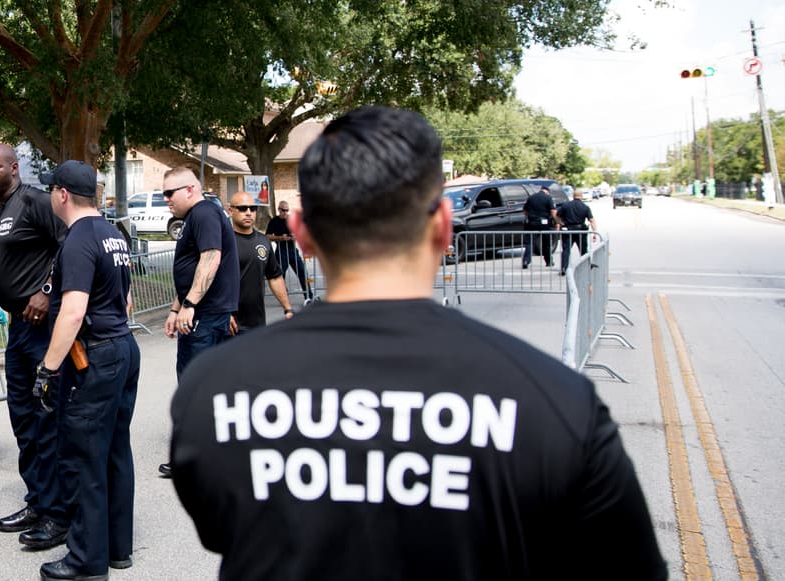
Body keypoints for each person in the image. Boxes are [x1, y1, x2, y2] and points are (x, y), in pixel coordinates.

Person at [169, 106, 666, 581]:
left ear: (300, 234)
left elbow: (223, 528)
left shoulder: (214, 391)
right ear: (444, 228)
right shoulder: (557, 404)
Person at [32, 160, 140, 581]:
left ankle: (85, 561)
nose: (48, 197)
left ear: (61, 194)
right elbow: (125, 302)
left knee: (84, 455)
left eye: (49, 191)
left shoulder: (77, 240)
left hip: (94, 356)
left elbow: (74, 311)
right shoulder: (114, 234)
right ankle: (117, 549)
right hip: (123, 348)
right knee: (115, 449)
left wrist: (47, 369)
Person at [0, 144, 69, 550]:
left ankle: (57, 514)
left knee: (47, 420)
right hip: (16, 331)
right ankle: (37, 501)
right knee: (24, 419)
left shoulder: (36, 203)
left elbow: (69, 246)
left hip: (44, 328)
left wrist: (47, 290)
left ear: (13, 167)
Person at [158, 167, 239, 479]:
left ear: (190, 189)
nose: (166, 200)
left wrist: (191, 305)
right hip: (203, 312)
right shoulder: (200, 215)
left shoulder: (203, 213)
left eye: (170, 193)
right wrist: (175, 308)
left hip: (204, 316)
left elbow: (210, 258)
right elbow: (191, 267)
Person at [226, 191, 293, 334]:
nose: (249, 213)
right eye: (243, 208)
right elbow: (211, 280)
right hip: (228, 325)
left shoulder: (263, 241)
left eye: (253, 208)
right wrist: (224, 313)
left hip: (257, 323)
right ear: (230, 211)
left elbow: (274, 277)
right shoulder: (222, 241)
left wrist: (288, 308)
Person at [265, 200, 315, 302]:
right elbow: (267, 236)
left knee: (302, 272)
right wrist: (280, 238)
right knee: (280, 275)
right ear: (279, 209)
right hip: (281, 250)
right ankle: (283, 296)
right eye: (283, 210)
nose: (285, 213)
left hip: (292, 250)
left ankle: (308, 296)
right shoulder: (274, 221)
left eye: (287, 210)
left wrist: (294, 236)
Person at [555, 189, 598, 275]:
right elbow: (591, 220)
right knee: (583, 250)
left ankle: (564, 268)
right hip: (580, 231)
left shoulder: (565, 205)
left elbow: (557, 215)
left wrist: (560, 223)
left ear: (573, 196)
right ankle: (586, 266)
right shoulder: (585, 207)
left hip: (568, 230)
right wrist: (594, 233)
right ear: (581, 196)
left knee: (566, 250)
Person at [521, 185, 556, 269]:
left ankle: (526, 261)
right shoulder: (548, 198)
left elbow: (525, 210)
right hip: (544, 223)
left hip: (532, 222)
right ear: (547, 191)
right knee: (547, 243)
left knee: (529, 243)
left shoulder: (531, 197)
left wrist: (529, 217)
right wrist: (557, 222)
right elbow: (553, 211)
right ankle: (548, 261)